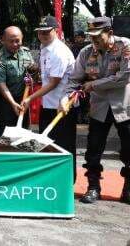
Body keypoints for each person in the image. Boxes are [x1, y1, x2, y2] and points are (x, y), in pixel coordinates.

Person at [62, 16, 130, 208]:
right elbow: (75, 80)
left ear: (110, 33)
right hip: (99, 107)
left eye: (98, 36)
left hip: (126, 106)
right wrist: (66, 97)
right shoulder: (85, 52)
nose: (94, 40)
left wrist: (93, 84)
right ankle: (93, 187)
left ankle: (129, 190)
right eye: (91, 36)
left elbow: (125, 76)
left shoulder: (125, 46)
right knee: (93, 148)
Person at [21, 16, 77, 179]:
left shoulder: (59, 51)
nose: (43, 35)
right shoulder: (45, 47)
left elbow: (53, 82)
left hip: (62, 105)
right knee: (48, 145)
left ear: (56, 31)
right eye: (40, 32)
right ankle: (52, 178)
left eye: (47, 32)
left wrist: (30, 99)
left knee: (63, 146)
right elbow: (45, 75)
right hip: (49, 104)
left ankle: (66, 181)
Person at [0, 26, 37, 138]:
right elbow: (1, 84)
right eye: (10, 41)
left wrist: (34, 72)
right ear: (3, 40)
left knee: (23, 136)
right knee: (4, 137)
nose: (14, 44)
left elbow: (33, 74)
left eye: (17, 41)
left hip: (24, 101)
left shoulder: (26, 52)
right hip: (6, 103)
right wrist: (12, 103)